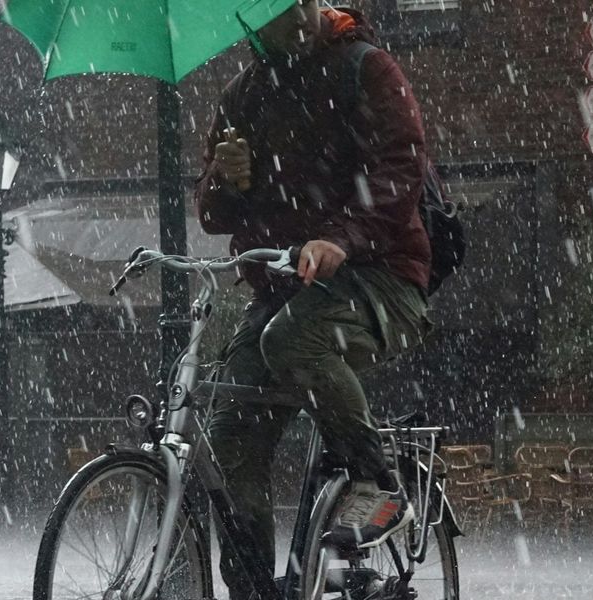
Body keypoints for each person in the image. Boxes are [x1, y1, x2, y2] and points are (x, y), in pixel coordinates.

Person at [193, 3, 431, 597]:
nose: (298, 15)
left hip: (383, 281)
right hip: (286, 290)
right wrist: (228, 179)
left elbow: (401, 172)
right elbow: (213, 214)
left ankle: (377, 485)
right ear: (252, 20)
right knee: (228, 441)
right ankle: (253, 589)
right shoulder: (243, 97)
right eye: (279, 7)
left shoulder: (366, 68)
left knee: (291, 339)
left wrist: (341, 239)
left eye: (304, 1)